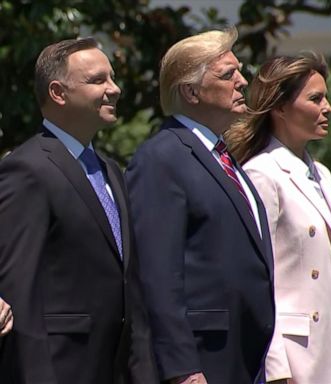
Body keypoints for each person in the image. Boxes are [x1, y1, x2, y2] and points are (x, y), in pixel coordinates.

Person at [0, 37, 158, 384]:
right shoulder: (28, 169)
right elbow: (18, 289)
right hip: (61, 369)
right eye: (98, 80)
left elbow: (129, 284)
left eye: (113, 78)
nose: (114, 89)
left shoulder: (111, 170)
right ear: (58, 92)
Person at [125, 27, 275, 384]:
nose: (242, 81)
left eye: (240, 70)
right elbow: (157, 273)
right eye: (228, 74)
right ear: (190, 91)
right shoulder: (161, 158)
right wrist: (181, 368)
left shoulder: (222, 157)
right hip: (202, 362)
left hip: (243, 357)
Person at [226, 52, 331, 383]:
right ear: (280, 107)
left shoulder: (322, 173)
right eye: (315, 98)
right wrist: (276, 370)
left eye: (326, 97)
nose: (328, 108)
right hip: (299, 359)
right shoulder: (261, 174)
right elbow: (258, 280)